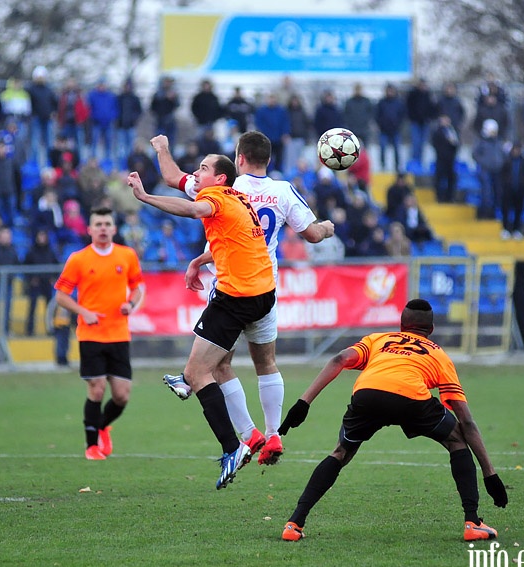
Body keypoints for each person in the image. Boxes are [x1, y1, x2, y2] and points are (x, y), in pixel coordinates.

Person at [151, 131, 335, 468]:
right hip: (266, 288)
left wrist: (162, 148)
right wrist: (327, 226)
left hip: (230, 288)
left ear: (238, 159)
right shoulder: (283, 190)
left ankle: (248, 434)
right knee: (266, 362)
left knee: (217, 365)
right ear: (268, 159)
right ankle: (273, 432)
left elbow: (172, 178)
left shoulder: (223, 188)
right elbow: (311, 234)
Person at [277, 299, 508, 542]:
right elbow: (467, 421)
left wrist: (303, 403)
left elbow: (340, 359)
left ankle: (294, 524)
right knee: (457, 440)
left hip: (368, 395)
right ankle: (472, 522)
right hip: (412, 400)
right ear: (431, 330)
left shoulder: (378, 339)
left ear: (401, 325)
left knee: (341, 453)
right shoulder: (438, 355)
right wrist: (489, 474)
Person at [127, 154, 277, 490]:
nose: (197, 173)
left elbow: (193, 210)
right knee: (217, 363)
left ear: (221, 178)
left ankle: (233, 446)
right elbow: (236, 240)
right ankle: (189, 384)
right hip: (261, 292)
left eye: (203, 169)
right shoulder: (238, 199)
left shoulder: (215, 198)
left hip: (238, 296)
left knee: (200, 373)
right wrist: (199, 260)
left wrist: (145, 198)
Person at [52, 206, 145, 460]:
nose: (103, 228)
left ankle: (103, 424)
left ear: (114, 229)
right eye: (98, 224)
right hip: (91, 334)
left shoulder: (127, 256)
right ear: (89, 229)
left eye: (107, 224)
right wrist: (84, 311)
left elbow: (137, 287)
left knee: (122, 395)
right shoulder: (78, 259)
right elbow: (61, 296)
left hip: (119, 334)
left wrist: (131, 304)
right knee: (96, 389)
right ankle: (91, 446)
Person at [499, 141, 524, 239]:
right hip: (508, 190)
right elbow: (502, 174)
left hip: (520, 190)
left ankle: (516, 230)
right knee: (506, 210)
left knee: (519, 210)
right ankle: (505, 229)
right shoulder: (507, 160)